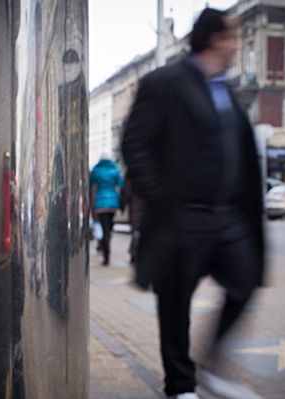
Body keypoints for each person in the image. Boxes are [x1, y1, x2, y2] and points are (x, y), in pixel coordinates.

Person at [121, 8, 265, 399]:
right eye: (233, 37)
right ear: (216, 39)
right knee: (175, 302)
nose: (236, 44)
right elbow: (135, 143)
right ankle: (181, 386)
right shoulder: (165, 82)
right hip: (182, 217)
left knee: (245, 280)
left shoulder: (225, 91)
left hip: (228, 217)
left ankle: (212, 364)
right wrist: (162, 198)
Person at [89, 148, 123, 265]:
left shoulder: (96, 170)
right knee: (109, 227)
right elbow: (121, 185)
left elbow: (90, 185)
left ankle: (106, 254)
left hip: (100, 203)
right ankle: (107, 244)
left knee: (104, 228)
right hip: (112, 203)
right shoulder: (115, 170)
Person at [121, 171, 146, 264]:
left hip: (135, 205)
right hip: (147, 205)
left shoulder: (132, 171)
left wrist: (123, 204)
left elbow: (126, 191)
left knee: (136, 229)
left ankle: (134, 252)